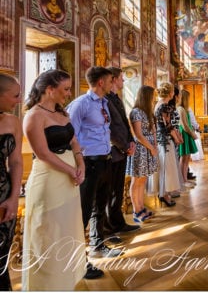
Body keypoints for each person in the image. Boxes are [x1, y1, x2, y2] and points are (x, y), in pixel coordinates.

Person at [22, 70, 87, 289]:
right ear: (50, 90)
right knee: (47, 232)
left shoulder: (63, 113)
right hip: (49, 180)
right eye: (66, 89)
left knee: (66, 229)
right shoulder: (34, 116)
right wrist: (70, 170)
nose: (69, 94)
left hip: (70, 176)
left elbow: (75, 142)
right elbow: (42, 153)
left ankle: (65, 282)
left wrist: (81, 165)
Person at [66, 66, 122, 260]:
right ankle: (77, 258)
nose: (111, 83)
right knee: (84, 209)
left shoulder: (103, 103)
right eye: (109, 81)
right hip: (88, 163)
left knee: (100, 207)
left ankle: (97, 245)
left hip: (105, 160)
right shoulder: (81, 104)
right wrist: (78, 162)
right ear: (100, 82)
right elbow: (70, 134)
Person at [104, 67, 140, 234]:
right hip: (112, 152)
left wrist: (131, 142)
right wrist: (125, 146)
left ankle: (118, 222)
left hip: (123, 151)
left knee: (117, 191)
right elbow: (108, 129)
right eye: (121, 78)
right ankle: (110, 226)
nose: (123, 81)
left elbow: (124, 124)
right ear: (113, 79)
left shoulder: (116, 98)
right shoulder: (104, 100)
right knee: (110, 192)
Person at [0, 74, 23, 290]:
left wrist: (14, 197)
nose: (19, 100)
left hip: (4, 197)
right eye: (15, 95)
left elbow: (16, 162)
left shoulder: (13, 122)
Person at [127, 85, 158, 223]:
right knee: (136, 180)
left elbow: (153, 131)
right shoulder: (136, 112)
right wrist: (151, 147)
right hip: (140, 149)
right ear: (146, 96)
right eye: (152, 96)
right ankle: (136, 210)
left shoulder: (148, 111)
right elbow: (138, 135)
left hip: (149, 149)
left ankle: (141, 207)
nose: (154, 98)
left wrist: (155, 145)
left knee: (143, 179)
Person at [154, 82, 181, 207]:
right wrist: (176, 138)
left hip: (159, 139)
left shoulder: (157, 104)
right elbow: (168, 126)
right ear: (170, 93)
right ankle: (165, 194)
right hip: (165, 140)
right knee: (167, 167)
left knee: (163, 166)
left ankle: (163, 193)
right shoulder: (165, 106)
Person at [177, 90, 198, 185]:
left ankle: (185, 179)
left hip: (187, 134)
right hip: (185, 134)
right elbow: (184, 125)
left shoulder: (185, 109)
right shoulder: (180, 109)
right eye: (188, 98)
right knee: (184, 157)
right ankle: (182, 180)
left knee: (187, 158)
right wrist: (193, 134)